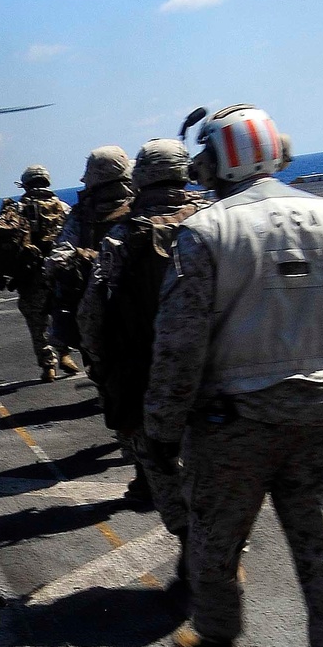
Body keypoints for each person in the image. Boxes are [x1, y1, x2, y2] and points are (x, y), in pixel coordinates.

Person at [144, 104, 323, 647]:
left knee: (216, 542)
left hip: (237, 420)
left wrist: (162, 428)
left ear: (222, 159)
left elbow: (179, 345)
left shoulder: (204, 234)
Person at [78, 138, 208, 547]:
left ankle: (189, 544)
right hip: (217, 373)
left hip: (146, 377)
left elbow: (91, 314)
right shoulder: (214, 221)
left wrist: (99, 367)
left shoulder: (121, 237)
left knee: (159, 465)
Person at [49, 146, 134, 385]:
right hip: (139, 295)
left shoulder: (81, 215)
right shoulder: (139, 207)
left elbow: (57, 260)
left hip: (98, 301)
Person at [6, 165, 71, 381]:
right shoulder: (63, 207)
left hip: (31, 274)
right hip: (62, 272)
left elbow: (7, 245)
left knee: (37, 322)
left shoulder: (17, 210)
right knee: (65, 314)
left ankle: (48, 365)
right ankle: (65, 353)